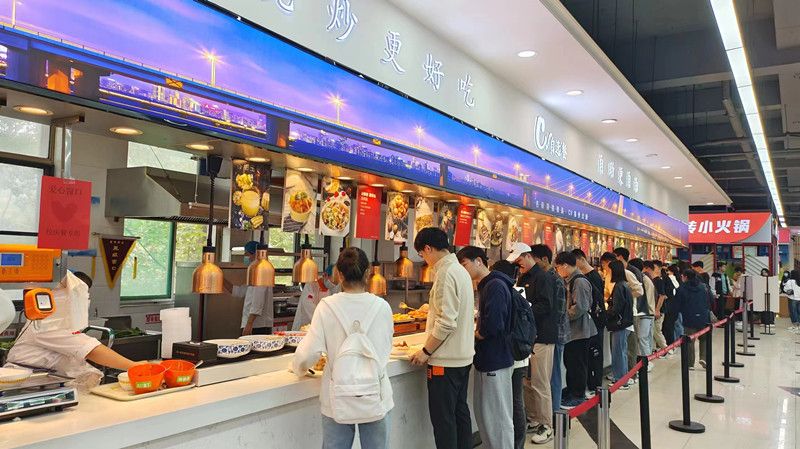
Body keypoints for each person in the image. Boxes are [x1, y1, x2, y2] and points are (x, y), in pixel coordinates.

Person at [292, 247, 394, 449]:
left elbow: (308, 353)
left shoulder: (326, 307)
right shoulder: (382, 307)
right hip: (376, 394)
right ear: (367, 273)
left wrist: (298, 368)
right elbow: (386, 348)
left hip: (336, 396)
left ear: (339, 274)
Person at [6, 271, 140, 389]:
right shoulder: (46, 323)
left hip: (44, 382)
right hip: (25, 384)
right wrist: (134, 366)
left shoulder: (59, 321)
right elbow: (91, 350)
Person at [409, 227, 475, 449]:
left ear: (428, 248)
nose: (424, 259)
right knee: (460, 413)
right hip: (462, 359)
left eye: (422, 254)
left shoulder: (446, 273)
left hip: (445, 363)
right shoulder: (460, 271)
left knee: (444, 420)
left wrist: (425, 351)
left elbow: (446, 322)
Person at [456, 246, 514, 449]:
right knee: (486, 414)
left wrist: (475, 334)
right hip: (489, 359)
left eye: (464, 264)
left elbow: (494, 325)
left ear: (479, 261)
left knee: (498, 416)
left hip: (495, 359)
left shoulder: (495, 285)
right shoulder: (487, 285)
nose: (463, 270)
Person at [507, 242, 556, 445]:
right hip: (527, 337)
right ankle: (534, 418)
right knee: (527, 382)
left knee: (540, 383)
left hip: (543, 336)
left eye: (520, 261)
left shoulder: (543, 277)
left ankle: (547, 425)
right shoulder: (523, 277)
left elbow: (546, 305)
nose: (518, 265)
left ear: (528, 256)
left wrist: (524, 310)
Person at [491, 259, 527, 449]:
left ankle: (516, 443)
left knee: (513, 402)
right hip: (518, 355)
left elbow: (498, 325)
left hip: (512, 356)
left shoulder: (504, 292)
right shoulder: (514, 292)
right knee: (515, 401)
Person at [554, 252, 596, 409]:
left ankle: (578, 395)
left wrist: (562, 316)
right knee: (571, 362)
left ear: (565, 265)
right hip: (573, 331)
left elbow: (580, 308)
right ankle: (572, 391)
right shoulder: (571, 280)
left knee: (577, 364)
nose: (557, 270)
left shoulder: (579, 281)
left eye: (558, 267)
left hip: (579, 331)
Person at [572, 249, 605, 394]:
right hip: (592, 321)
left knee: (594, 354)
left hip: (595, 322)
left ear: (581, 260)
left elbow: (591, 302)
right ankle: (592, 383)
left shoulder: (591, 277)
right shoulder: (587, 276)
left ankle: (594, 385)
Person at [227, 241, 274, 336]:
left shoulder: (261, 271)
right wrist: (219, 279)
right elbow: (239, 292)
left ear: (256, 254)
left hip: (258, 326)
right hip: (252, 324)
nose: (245, 256)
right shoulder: (254, 273)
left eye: (247, 253)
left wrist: (249, 324)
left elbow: (258, 301)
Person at [612, 248, 645, 374]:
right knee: (624, 347)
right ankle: (627, 373)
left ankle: (630, 374)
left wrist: (626, 297)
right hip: (627, 312)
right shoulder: (623, 274)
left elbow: (640, 291)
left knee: (629, 346)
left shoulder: (628, 273)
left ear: (620, 257)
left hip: (629, 314)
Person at [675, 269, 712, 369]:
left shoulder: (681, 288)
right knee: (704, 339)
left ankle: (690, 363)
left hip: (688, 317)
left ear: (685, 277)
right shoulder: (704, 287)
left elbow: (677, 304)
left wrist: (677, 314)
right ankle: (703, 358)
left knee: (689, 340)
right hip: (703, 317)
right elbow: (711, 300)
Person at [606, 260, 634, 389]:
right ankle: (623, 377)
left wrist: (606, 313)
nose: (607, 273)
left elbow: (617, 308)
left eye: (609, 270)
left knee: (618, 352)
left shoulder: (619, 286)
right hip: (625, 323)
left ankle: (620, 380)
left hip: (620, 324)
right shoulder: (625, 285)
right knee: (622, 351)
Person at [293, 264, 340, 331]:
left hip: (319, 328)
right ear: (325, 275)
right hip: (304, 327)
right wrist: (324, 320)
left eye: (335, 283)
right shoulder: (311, 285)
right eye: (333, 282)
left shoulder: (331, 290)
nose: (333, 285)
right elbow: (308, 307)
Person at [643, 261, 668, 353]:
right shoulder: (651, 280)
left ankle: (666, 349)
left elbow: (662, 296)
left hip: (659, 311)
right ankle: (653, 350)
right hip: (652, 310)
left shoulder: (658, 281)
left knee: (656, 331)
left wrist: (657, 310)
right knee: (652, 331)